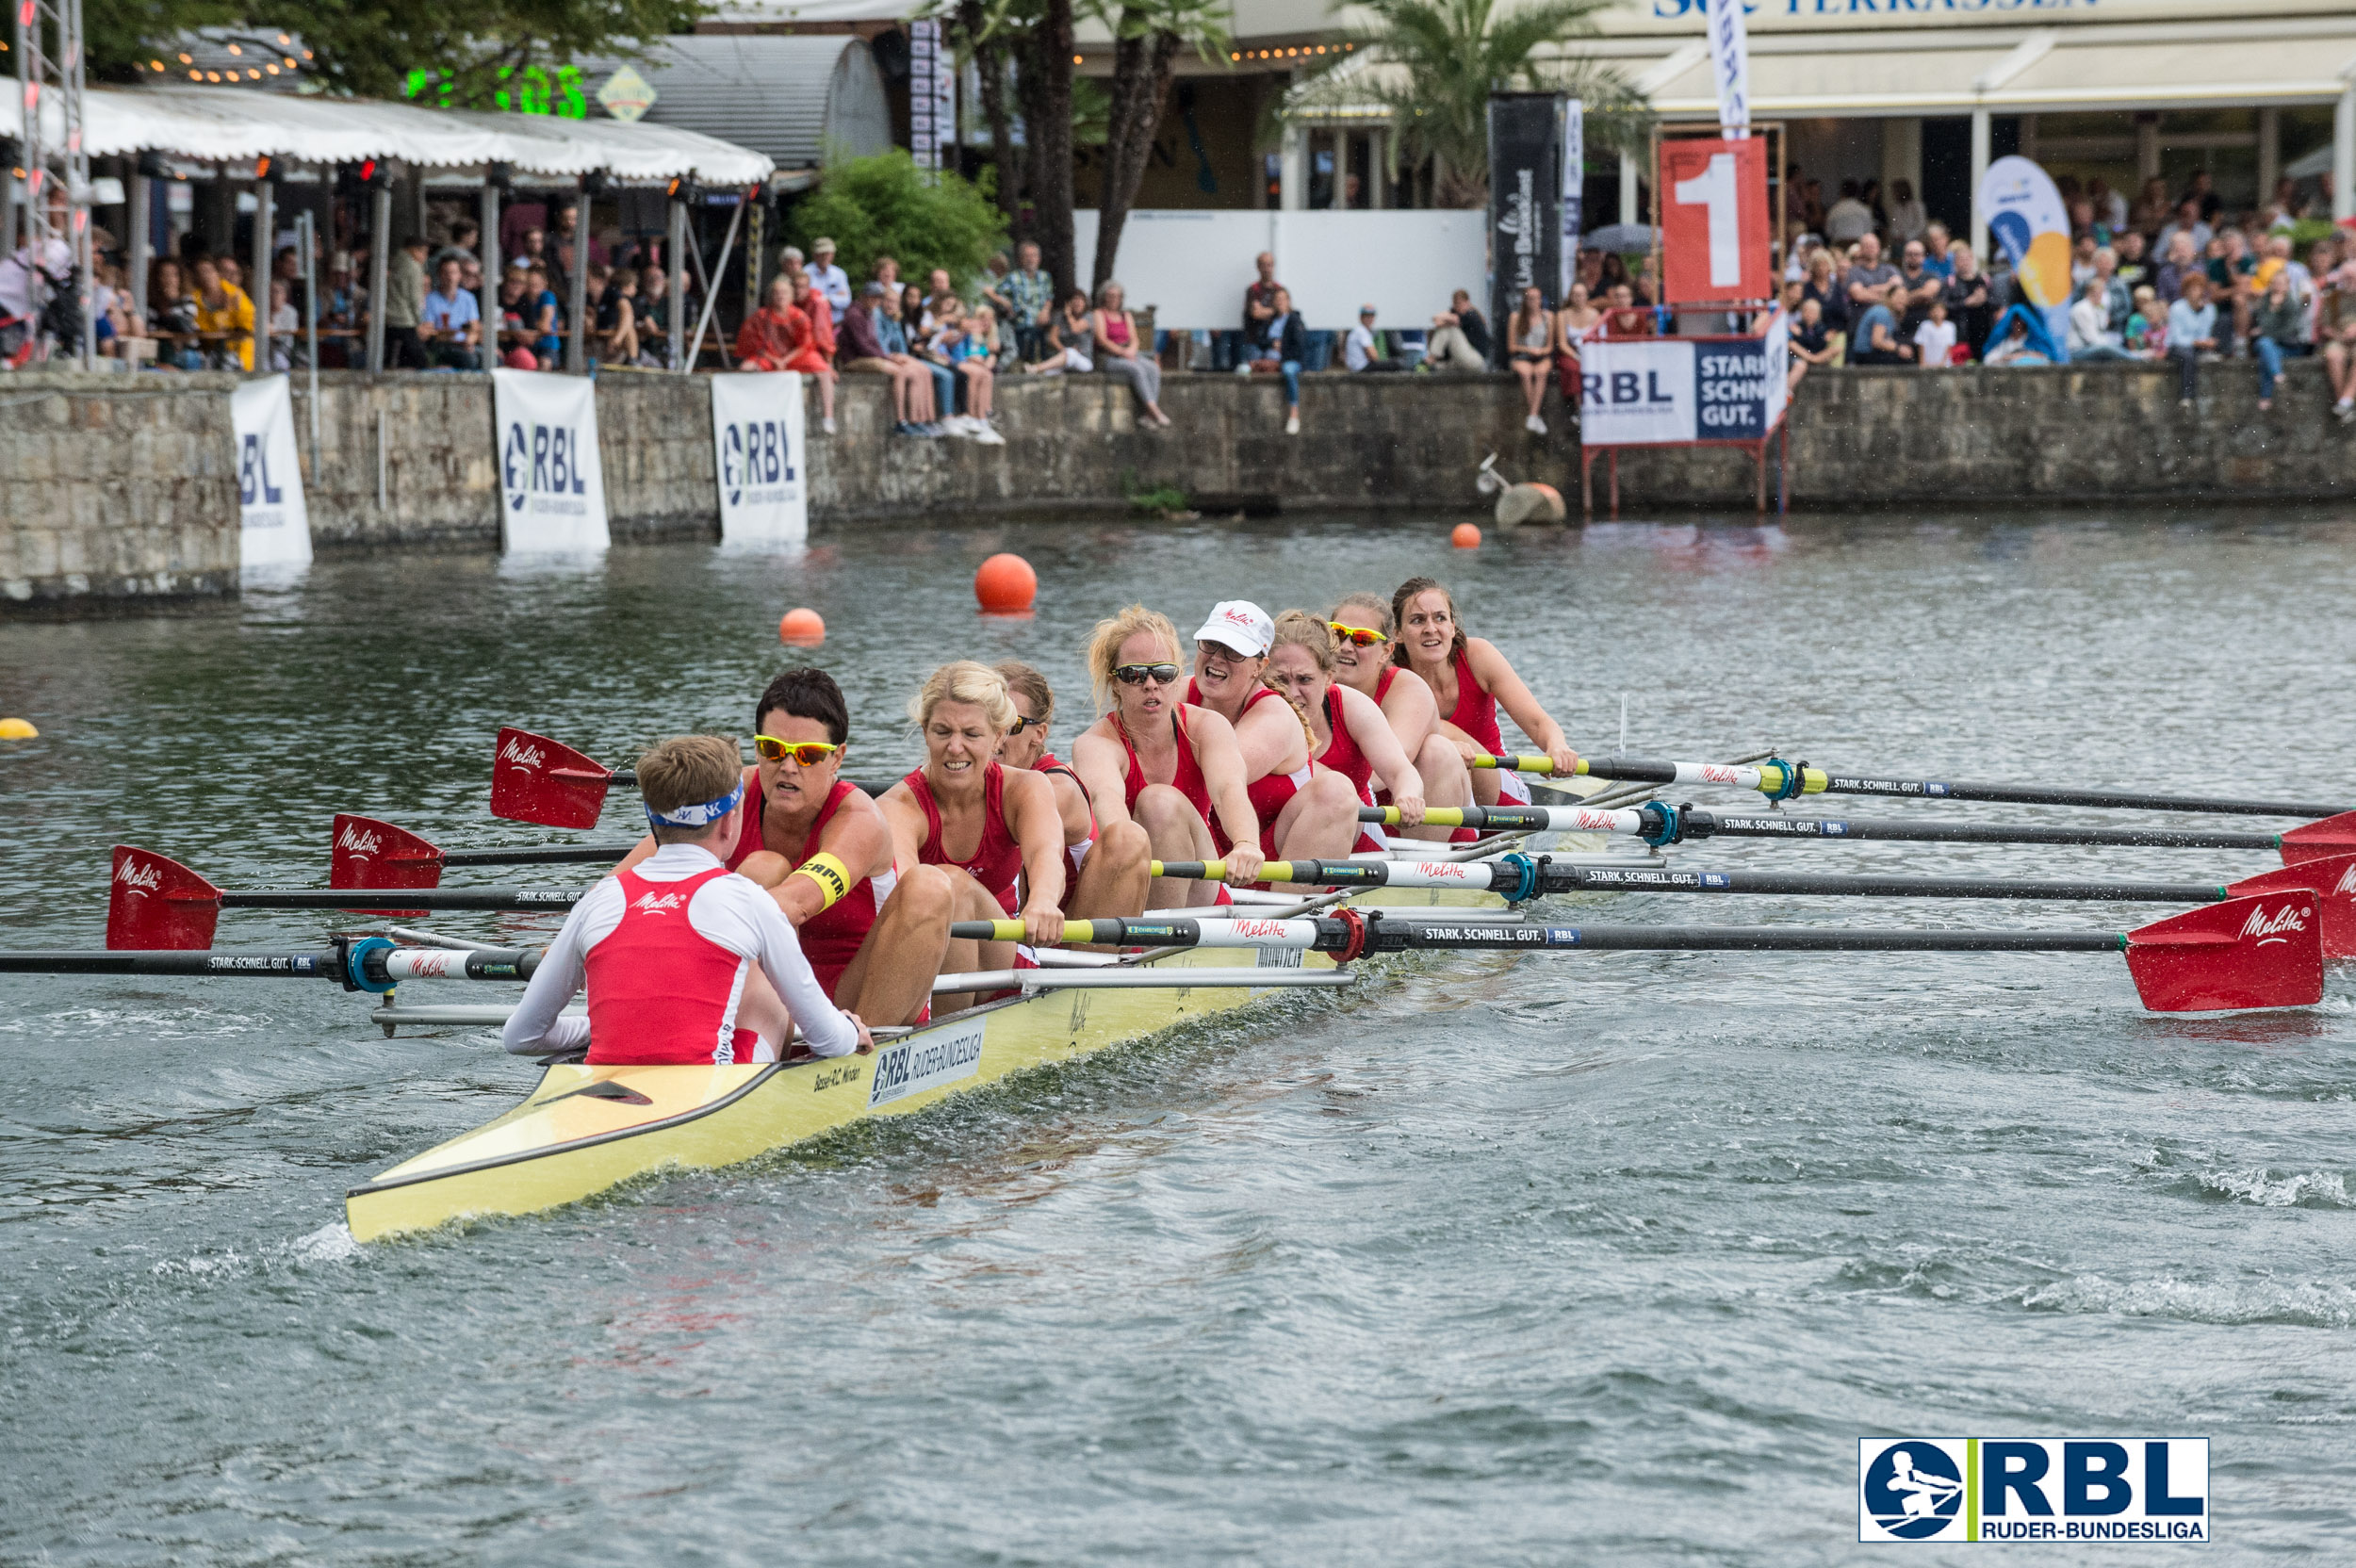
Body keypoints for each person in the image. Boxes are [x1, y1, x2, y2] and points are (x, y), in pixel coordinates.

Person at [616, 669, 961, 1029]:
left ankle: (861, 1056)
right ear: (757, 749)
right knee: (763, 868)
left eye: (808, 755)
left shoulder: (860, 820)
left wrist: (673, 923)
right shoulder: (731, 793)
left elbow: (794, 903)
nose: (788, 767)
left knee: (929, 887)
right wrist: (583, 937)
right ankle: (733, 1036)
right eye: (773, 750)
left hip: (858, 996)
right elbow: (629, 882)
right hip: (773, 1002)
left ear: (837, 758)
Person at [503, 734, 870, 1065]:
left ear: (653, 822)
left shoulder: (598, 901)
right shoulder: (751, 902)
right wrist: (850, 1029)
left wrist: (594, 1028)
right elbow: (828, 1039)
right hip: (711, 1089)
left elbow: (521, 1037)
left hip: (608, 1083)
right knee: (761, 973)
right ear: (729, 822)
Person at [874, 663, 1069, 1012]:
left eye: (971, 734)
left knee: (953, 885)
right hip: (929, 963)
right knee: (939, 888)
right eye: (942, 732)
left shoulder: (1025, 788)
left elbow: (1046, 855)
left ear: (997, 737)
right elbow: (902, 889)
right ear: (925, 732)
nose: (955, 747)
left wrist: (1042, 901)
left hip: (1006, 962)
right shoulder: (898, 807)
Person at [1070, 605, 1265, 907]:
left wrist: (1247, 845)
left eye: (1162, 673)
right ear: (1115, 683)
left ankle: (1153, 942)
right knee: (1137, 824)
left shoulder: (1207, 728)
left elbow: (1229, 792)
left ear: (1176, 677)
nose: (1151, 684)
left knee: (1158, 801)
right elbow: (1110, 810)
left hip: (1199, 888)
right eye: (1134, 675)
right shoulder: (1095, 744)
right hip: (1131, 878)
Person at [1182, 599, 1363, 864]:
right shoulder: (1175, 690)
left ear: (1259, 667)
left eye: (1234, 651)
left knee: (1336, 790)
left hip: (1271, 865)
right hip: (1211, 859)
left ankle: (1298, 905)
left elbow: (1216, 779)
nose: (1218, 657)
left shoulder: (1274, 716)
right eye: (1211, 644)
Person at [1392, 577, 1579, 808]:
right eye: (1418, 620)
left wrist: (1557, 745)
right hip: (1426, 792)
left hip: (1497, 791)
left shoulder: (1478, 656)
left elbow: (1537, 722)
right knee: (1436, 751)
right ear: (1398, 633)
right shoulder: (1391, 677)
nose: (1431, 629)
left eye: (1440, 618)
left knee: (1436, 742)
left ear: (1452, 627)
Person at [993, 661, 1153, 922]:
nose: (994, 736)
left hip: (1073, 936)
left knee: (1128, 836)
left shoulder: (1058, 789)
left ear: (1039, 734)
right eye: (986, 721)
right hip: (1022, 929)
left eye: (1010, 725)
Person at [1261, 612, 1428, 856]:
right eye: (1280, 679)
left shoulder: (1351, 707)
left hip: (1355, 848)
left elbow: (1401, 771)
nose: (1292, 693)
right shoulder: (1249, 708)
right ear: (1263, 674)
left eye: (1304, 679)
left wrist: (1407, 796)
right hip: (1266, 845)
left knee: (1331, 791)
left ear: (1328, 678)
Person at [1323, 592, 1471, 843]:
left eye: (1362, 639)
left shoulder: (1407, 688)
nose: (1346, 646)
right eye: (1337, 634)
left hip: (1420, 824)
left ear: (1386, 651)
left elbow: (1387, 769)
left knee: (1438, 750)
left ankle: (1424, 868)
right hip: (1355, 815)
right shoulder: (1306, 683)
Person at [735, 274, 840, 431]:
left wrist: (785, 360)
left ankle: (828, 417)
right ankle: (747, 411)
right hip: (770, 357)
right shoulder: (761, 316)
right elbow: (754, 342)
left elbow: (805, 344)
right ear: (771, 296)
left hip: (795, 357)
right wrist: (774, 359)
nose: (780, 296)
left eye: (784, 292)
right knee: (746, 368)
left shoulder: (799, 316)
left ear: (790, 295)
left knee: (824, 371)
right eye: (777, 293)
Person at [1092, 280, 1170, 427]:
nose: (1113, 299)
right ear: (1103, 297)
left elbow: (1134, 339)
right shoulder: (1099, 314)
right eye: (1110, 296)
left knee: (1153, 368)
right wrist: (1122, 352)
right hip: (1108, 356)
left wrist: (1130, 351)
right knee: (1136, 370)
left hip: (1128, 353)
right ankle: (1155, 411)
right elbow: (1102, 339)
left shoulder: (1125, 315)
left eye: (1117, 296)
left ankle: (1148, 415)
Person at [1243, 285, 1307, 435]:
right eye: (1277, 299)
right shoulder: (1271, 320)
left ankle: (1294, 413)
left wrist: (1282, 350)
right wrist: (1273, 343)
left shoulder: (1294, 320)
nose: (1280, 302)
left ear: (1289, 301)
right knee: (1244, 369)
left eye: (1283, 299)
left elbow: (1299, 345)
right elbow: (1261, 340)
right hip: (1268, 357)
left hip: (1289, 359)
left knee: (1288, 371)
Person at [2247, 266, 2306, 413]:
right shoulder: (2265, 302)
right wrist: (2273, 308)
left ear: (2287, 286)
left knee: (2266, 353)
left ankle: (2266, 396)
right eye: (2274, 283)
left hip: (2288, 346)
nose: (2277, 286)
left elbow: (2288, 330)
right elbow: (2261, 324)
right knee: (2266, 346)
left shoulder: (2291, 304)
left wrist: (2266, 331)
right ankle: (2278, 376)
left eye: (2281, 283)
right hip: (2269, 344)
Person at [417, 255, 483, 370]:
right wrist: (447, 335)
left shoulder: (468, 298)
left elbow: (475, 327)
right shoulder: (431, 299)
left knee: (493, 358)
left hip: (465, 344)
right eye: (446, 273)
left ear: (459, 275)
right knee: (469, 360)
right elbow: (428, 329)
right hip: (442, 345)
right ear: (439, 275)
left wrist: (469, 341)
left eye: (453, 272)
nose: (450, 277)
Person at [190, 254, 254, 371]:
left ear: (217, 273)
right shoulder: (194, 299)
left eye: (208, 271)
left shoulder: (235, 294)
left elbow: (250, 324)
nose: (206, 276)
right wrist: (222, 316)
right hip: (210, 353)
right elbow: (200, 330)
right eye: (200, 272)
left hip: (240, 351)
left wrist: (235, 310)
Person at [946, 303, 1002, 436]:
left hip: (967, 362)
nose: (985, 323)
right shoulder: (965, 330)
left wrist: (990, 355)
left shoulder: (980, 333)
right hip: (957, 362)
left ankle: (983, 416)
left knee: (986, 374)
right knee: (977, 374)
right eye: (983, 319)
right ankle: (972, 415)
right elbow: (966, 353)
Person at [2167, 272, 2219, 408]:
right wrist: (2197, 342)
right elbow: (2177, 337)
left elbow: (2205, 332)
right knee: (2188, 357)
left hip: (2198, 346)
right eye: (2191, 289)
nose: (2195, 292)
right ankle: (2187, 395)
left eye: (2198, 289)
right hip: (2177, 346)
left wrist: (2207, 342)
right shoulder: (2177, 308)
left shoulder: (2209, 309)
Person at [1505, 285, 1553, 434]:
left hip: (1542, 355)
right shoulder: (1515, 317)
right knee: (1526, 373)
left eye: (1536, 298)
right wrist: (1528, 349)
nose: (1533, 301)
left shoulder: (1549, 317)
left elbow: (1550, 346)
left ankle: (1533, 415)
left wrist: (1540, 351)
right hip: (1522, 355)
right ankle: (1535, 416)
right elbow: (1511, 347)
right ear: (1525, 300)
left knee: (1540, 372)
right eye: (1530, 298)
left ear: (1540, 299)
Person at [1001, 239, 1055, 364]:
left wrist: (1046, 310)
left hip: (1040, 325)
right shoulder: (1013, 278)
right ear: (1021, 259)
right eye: (1027, 256)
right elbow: (994, 292)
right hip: (1020, 325)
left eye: (1034, 255)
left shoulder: (1045, 277)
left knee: (1040, 357)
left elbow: (1049, 297)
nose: (1031, 259)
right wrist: (1006, 304)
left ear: (1039, 258)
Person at [1023, 289, 1097, 376]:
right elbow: (1052, 338)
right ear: (1068, 303)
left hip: (1084, 360)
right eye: (1075, 300)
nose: (1078, 303)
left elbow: (1075, 329)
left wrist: (1069, 315)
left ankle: (1036, 367)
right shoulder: (1060, 317)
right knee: (1047, 374)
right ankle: (1035, 371)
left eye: (1080, 300)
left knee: (1072, 353)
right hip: (1064, 359)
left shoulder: (1089, 316)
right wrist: (1064, 350)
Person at [384, 235, 429, 369]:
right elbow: (414, 299)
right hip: (405, 319)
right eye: (425, 253)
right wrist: (419, 321)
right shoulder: (414, 267)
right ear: (415, 250)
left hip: (389, 318)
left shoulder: (393, 262)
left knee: (393, 359)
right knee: (420, 360)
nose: (425, 258)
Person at [1552, 282, 1597, 404]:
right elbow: (1562, 344)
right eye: (1576, 295)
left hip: (1589, 352)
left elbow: (1597, 339)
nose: (1579, 298)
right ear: (1571, 297)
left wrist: (1587, 355)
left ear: (1586, 296)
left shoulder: (1594, 314)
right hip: (1569, 352)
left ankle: (1593, 405)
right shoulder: (1562, 315)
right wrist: (1577, 356)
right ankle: (1579, 408)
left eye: (1582, 295)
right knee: (1574, 369)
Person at [2066, 276, 2129, 362]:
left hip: (2090, 347)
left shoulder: (2097, 309)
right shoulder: (2082, 309)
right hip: (2078, 350)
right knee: (2107, 348)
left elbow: (2102, 329)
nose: (2103, 296)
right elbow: (2091, 339)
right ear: (2091, 292)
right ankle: (2137, 358)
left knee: (2114, 345)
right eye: (2101, 292)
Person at [1848, 279, 1909, 366]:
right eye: (1898, 296)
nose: (1901, 300)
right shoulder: (1883, 312)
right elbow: (1877, 342)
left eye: (1904, 297)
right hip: (1866, 355)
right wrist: (1899, 348)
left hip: (1868, 354)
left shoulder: (1888, 312)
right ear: (1889, 297)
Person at [1425, 289, 1489, 371]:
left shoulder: (1470, 314)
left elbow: (1438, 318)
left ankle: (1432, 357)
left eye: (1459, 303)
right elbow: (1437, 321)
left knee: (1450, 329)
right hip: (1462, 360)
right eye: (1455, 304)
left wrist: (1446, 317)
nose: (1457, 307)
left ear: (1467, 302)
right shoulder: (1458, 314)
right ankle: (1431, 365)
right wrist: (1446, 317)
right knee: (1437, 367)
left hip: (1475, 359)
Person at [1842, 235, 1899, 319]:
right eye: (1867, 246)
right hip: (1861, 319)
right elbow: (1858, 295)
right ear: (1861, 249)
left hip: (1887, 319)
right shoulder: (1854, 271)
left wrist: (1871, 289)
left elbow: (1898, 288)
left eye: (1873, 245)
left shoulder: (1890, 269)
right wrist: (1887, 293)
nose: (1870, 248)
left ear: (1879, 248)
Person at [1788, 293, 1835, 389]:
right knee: (1793, 346)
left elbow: (1817, 344)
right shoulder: (1798, 325)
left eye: (1813, 312)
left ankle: (1814, 359)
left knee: (1836, 349)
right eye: (1807, 312)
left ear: (1818, 314)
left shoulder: (1821, 328)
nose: (1809, 315)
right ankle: (1786, 390)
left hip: (1815, 354)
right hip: (1800, 356)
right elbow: (1795, 344)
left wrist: (1802, 335)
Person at [597, 267, 642, 367]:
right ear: (626, 285)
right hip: (607, 334)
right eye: (634, 286)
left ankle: (633, 360)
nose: (636, 289)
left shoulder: (633, 301)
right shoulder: (614, 292)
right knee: (629, 329)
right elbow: (627, 313)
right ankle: (633, 360)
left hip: (615, 337)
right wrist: (617, 339)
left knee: (629, 328)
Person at [1241, 250, 1283, 354]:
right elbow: (1256, 313)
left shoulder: (1279, 290)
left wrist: (1263, 310)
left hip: (1274, 341)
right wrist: (1275, 310)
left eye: (1269, 265)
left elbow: (1284, 312)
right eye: (1263, 265)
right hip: (1254, 341)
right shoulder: (1253, 290)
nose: (1267, 269)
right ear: (1258, 267)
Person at [524, 264, 563, 368]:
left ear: (544, 284)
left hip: (548, 347)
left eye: (535, 285)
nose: (532, 290)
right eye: (529, 285)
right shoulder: (524, 299)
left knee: (544, 363)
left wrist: (529, 325)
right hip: (531, 345)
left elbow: (545, 326)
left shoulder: (547, 296)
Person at [807, 237, 852, 318]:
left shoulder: (839, 273)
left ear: (832, 255)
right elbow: (808, 300)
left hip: (836, 325)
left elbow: (846, 301)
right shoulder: (806, 273)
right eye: (822, 253)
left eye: (828, 253)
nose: (825, 257)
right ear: (814, 255)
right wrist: (835, 296)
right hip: (813, 322)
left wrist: (827, 299)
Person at [1345, 303, 1397, 372]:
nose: (1369, 319)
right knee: (1396, 364)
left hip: (1356, 367)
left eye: (1371, 316)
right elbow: (1373, 355)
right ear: (1361, 317)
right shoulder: (1362, 331)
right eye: (1367, 316)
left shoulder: (1358, 330)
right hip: (1361, 367)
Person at [1912, 298, 1957, 368]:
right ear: (1929, 313)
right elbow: (1921, 345)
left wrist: (1943, 363)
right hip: (1927, 364)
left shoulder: (1950, 326)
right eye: (1934, 310)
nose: (1937, 313)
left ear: (1945, 312)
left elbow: (1949, 346)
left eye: (1939, 310)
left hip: (1944, 364)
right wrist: (1922, 363)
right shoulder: (1925, 325)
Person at [1887, 178, 1927, 244]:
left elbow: (1921, 226)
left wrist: (1907, 236)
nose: (1893, 194)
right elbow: (1893, 225)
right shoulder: (1896, 207)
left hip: (1915, 241)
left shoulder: (1917, 206)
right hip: (1899, 241)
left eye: (1895, 192)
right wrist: (1897, 235)